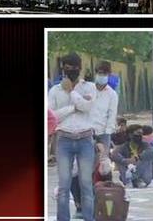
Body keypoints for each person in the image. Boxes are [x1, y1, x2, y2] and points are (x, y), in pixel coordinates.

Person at [47, 52, 97, 221]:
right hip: (64, 140)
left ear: (80, 68)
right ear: (63, 69)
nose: (71, 71)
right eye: (67, 68)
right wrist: (73, 108)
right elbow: (52, 116)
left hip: (85, 140)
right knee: (63, 186)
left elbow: (87, 107)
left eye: (74, 67)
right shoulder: (54, 90)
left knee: (86, 185)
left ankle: (89, 218)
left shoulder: (89, 87)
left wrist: (72, 92)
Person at [89, 61, 118, 149]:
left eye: (104, 73)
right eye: (99, 73)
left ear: (108, 75)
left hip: (103, 133)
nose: (101, 75)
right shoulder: (87, 88)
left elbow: (112, 114)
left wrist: (107, 131)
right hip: (87, 132)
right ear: (96, 73)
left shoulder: (112, 94)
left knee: (103, 160)